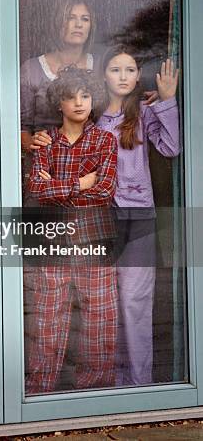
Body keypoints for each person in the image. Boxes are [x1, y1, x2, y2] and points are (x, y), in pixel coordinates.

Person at [25, 67, 118, 394]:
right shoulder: (46, 142)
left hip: (95, 239)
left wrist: (60, 189)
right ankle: (40, 390)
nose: (78, 102)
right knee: (48, 319)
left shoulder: (105, 140)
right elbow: (37, 188)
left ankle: (96, 391)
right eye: (70, 96)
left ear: (93, 99)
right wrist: (80, 183)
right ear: (58, 103)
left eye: (85, 95)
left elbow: (104, 191)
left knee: (99, 319)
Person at [96, 45, 180, 386]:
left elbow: (172, 147)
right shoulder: (91, 113)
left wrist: (167, 100)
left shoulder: (145, 113)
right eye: (116, 69)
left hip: (138, 219)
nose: (123, 76)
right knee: (104, 304)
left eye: (130, 70)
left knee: (135, 301)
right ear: (104, 74)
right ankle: (109, 382)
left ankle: (137, 385)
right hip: (99, 220)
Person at [20, 0, 95, 155]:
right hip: (47, 160)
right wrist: (31, 144)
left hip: (92, 158)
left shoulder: (101, 64)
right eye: (70, 17)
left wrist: (156, 95)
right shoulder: (32, 69)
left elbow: (124, 96)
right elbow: (22, 127)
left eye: (85, 19)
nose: (79, 24)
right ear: (57, 22)